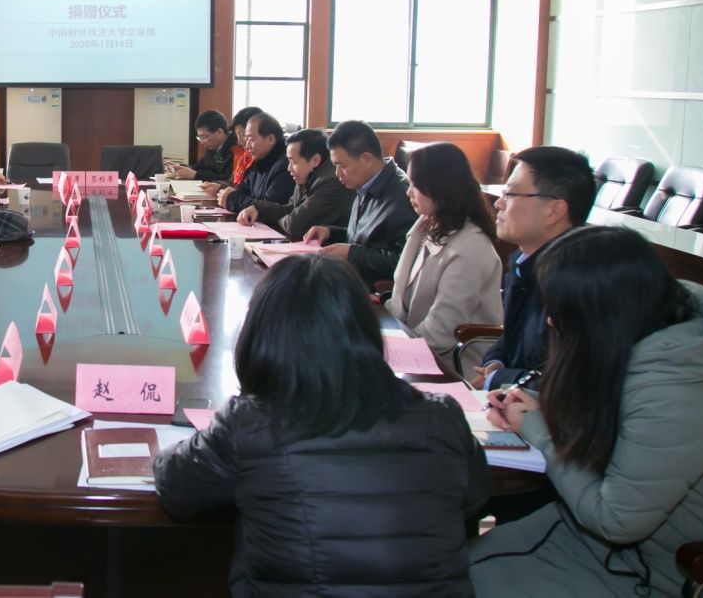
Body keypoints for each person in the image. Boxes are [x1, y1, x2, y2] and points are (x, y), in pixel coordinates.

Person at [154, 255, 488, 597]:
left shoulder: (250, 425)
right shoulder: (442, 418)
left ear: (262, 336)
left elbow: (174, 486)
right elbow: (476, 498)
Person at [470, 226, 703, 597]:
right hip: (587, 537)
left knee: (439, 579)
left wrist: (538, 428)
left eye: (560, 308)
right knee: (433, 567)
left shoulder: (676, 397)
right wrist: (542, 408)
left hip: (645, 573)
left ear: (600, 313)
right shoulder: (642, 342)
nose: (551, 320)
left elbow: (616, 520)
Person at [473, 145, 595, 391]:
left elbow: (567, 382)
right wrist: (496, 362)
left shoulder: (578, 282)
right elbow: (510, 336)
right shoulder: (524, 262)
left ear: (554, 210)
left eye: (510, 194)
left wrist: (497, 379)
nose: (499, 204)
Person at [386, 143, 502, 373]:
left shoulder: (471, 246)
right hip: (413, 349)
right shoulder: (427, 223)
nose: (408, 192)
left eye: (415, 185)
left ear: (440, 187)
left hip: (454, 366)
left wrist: (394, 350)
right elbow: (400, 298)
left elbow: (442, 331)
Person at [304, 119, 416, 285]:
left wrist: (352, 254)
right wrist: (330, 232)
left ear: (366, 159)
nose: (337, 173)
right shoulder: (367, 182)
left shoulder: (403, 195)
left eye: (342, 166)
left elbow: (406, 261)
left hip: (372, 291)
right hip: (353, 279)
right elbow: (369, 239)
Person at [237, 128, 354, 239]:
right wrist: (258, 209)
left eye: (293, 162)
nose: (289, 168)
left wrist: (272, 217)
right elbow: (290, 209)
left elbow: (294, 225)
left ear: (315, 160)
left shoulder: (331, 182)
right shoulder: (307, 174)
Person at [219, 112, 294, 213]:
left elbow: (269, 209)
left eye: (251, 139)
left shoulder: (286, 166)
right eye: (246, 139)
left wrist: (232, 200)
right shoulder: (259, 160)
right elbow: (241, 190)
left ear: (270, 139)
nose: (247, 145)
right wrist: (231, 196)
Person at [201, 106, 260, 199]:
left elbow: (250, 193)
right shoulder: (241, 154)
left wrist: (220, 188)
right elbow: (233, 183)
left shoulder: (259, 158)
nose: (240, 141)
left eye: (244, 135)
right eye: (238, 135)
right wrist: (218, 185)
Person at [166, 109, 237, 183]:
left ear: (219, 132)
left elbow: (227, 180)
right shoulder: (212, 147)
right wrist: (179, 167)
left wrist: (196, 175)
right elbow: (199, 168)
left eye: (204, 137)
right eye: (200, 138)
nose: (202, 142)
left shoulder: (236, 150)